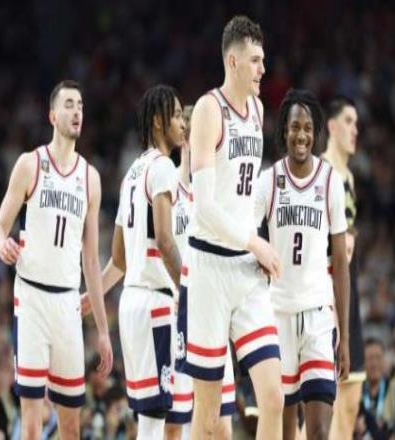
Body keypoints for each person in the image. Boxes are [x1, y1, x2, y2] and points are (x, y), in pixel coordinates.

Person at [177, 15, 284, 439]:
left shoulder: (257, 109)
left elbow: (245, 192)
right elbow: (204, 207)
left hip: (246, 271)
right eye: (256, 60)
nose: (263, 69)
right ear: (233, 61)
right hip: (208, 272)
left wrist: (261, 240)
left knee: (273, 397)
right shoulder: (208, 109)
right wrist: (254, 242)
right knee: (209, 419)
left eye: (264, 60)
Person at [0, 80, 113, 439]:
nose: (77, 112)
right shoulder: (30, 164)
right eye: (69, 104)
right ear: (52, 115)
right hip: (31, 299)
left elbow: (92, 262)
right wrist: (1, 245)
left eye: (81, 106)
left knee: (70, 426)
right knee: (31, 424)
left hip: (67, 305)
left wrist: (103, 331)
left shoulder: (90, 178)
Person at [81, 84, 185, 439]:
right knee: (156, 421)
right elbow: (166, 241)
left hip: (130, 305)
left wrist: (92, 294)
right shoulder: (163, 168)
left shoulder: (131, 174)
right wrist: (189, 292)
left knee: (149, 421)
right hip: (156, 303)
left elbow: (119, 258)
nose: (183, 122)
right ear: (157, 121)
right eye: (176, 115)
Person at [255, 88, 350, 439]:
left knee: (319, 432)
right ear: (284, 130)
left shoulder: (330, 182)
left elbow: (340, 263)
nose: (301, 135)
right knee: (283, 432)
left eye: (308, 128)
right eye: (295, 127)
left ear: (316, 133)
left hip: (318, 317)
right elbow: (247, 238)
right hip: (276, 314)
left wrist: (346, 337)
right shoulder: (268, 181)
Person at [165, 105, 236, 440]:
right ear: (185, 139)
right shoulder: (168, 188)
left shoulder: (217, 191)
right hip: (182, 312)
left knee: (222, 427)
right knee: (181, 423)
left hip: (216, 308)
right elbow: (158, 248)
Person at [322, 96, 365, 440]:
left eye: (357, 123)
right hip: (325, 292)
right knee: (324, 401)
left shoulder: (348, 177)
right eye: (348, 121)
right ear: (332, 127)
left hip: (350, 290)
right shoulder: (321, 172)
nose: (355, 130)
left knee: (351, 400)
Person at [358, 338, 390, 439]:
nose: (374, 364)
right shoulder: (356, 392)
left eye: (378, 357)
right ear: (363, 362)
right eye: (370, 358)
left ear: (384, 361)